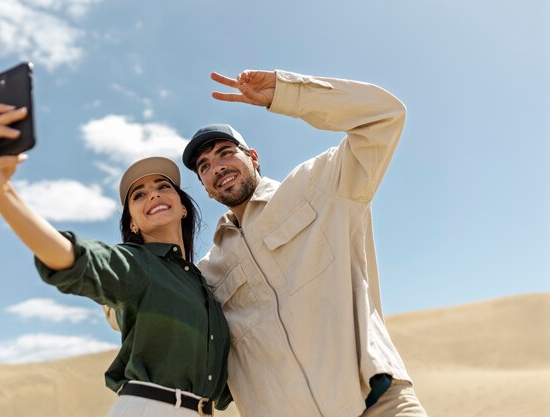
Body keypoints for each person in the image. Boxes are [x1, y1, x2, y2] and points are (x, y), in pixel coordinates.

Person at [181, 70, 429, 417]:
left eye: (225, 153)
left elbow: (384, 116)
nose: (217, 167)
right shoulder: (208, 272)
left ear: (252, 157)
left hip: (379, 404)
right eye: (204, 167)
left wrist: (287, 94)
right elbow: (148, 303)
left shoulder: (321, 187)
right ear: (206, 188)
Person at [0, 104, 231, 417]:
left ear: (183, 206)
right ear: (133, 223)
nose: (153, 195)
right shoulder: (135, 264)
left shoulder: (201, 281)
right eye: (139, 195)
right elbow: (76, 258)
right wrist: (2, 194)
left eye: (163, 187)